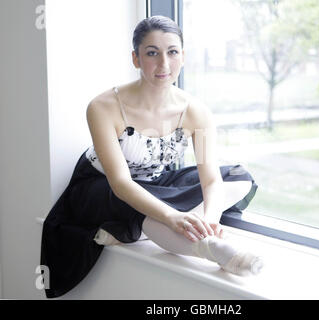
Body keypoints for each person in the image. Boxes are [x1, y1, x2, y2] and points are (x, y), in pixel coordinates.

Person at [40, 15, 262, 299]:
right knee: (137, 206)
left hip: (156, 179)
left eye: (172, 52)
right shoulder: (102, 107)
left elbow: (211, 180)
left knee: (239, 177)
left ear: (183, 56)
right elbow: (120, 184)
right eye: (152, 53)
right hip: (102, 186)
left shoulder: (197, 111)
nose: (164, 64)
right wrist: (171, 216)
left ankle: (182, 233)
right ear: (135, 58)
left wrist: (210, 220)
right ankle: (213, 250)